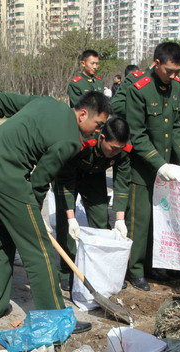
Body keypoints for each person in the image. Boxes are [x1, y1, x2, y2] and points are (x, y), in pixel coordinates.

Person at [0, 92, 110, 329]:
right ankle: (57, 320)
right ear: (83, 114)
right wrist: (33, 214)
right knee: (39, 250)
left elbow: (0, 101)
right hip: (7, 177)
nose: (97, 131)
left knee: (4, 240)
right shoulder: (70, 140)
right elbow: (40, 180)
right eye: (98, 124)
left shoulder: (46, 102)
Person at [122, 42, 180, 291]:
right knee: (140, 221)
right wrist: (159, 163)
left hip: (165, 167)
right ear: (156, 64)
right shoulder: (139, 89)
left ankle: (153, 265)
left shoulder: (175, 87)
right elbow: (137, 134)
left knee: (160, 219)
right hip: (143, 167)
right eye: (169, 71)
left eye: (177, 71)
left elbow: (175, 127)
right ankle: (135, 269)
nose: (174, 76)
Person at [54, 116, 133, 291]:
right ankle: (67, 271)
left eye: (118, 150)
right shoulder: (83, 141)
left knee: (101, 219)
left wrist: (120, 219)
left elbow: (122, 183)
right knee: (65, 226)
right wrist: (71, 217)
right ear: (102, 137)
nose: (114, 153)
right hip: (69, 174)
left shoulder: (123, 150)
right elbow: (65, 179)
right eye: (112, 148)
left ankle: (102, 269)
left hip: (94, 176)